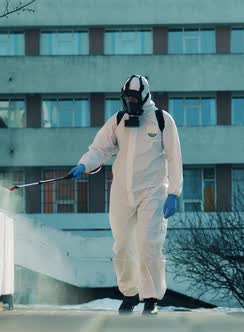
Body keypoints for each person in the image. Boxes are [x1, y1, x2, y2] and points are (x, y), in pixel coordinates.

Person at [69, 75, 183, 315]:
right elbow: (100, 149)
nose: (130, 102)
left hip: (153, 192)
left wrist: (174, 192)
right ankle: (130, 295)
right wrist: (84, 165)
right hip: (122, 192)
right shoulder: (118, 120)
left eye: (134, 98)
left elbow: (174, 157)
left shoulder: (162, 120)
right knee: (122, 246)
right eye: (126, 98)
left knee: (148, 245)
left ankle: (151, 299)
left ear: (144, 96)